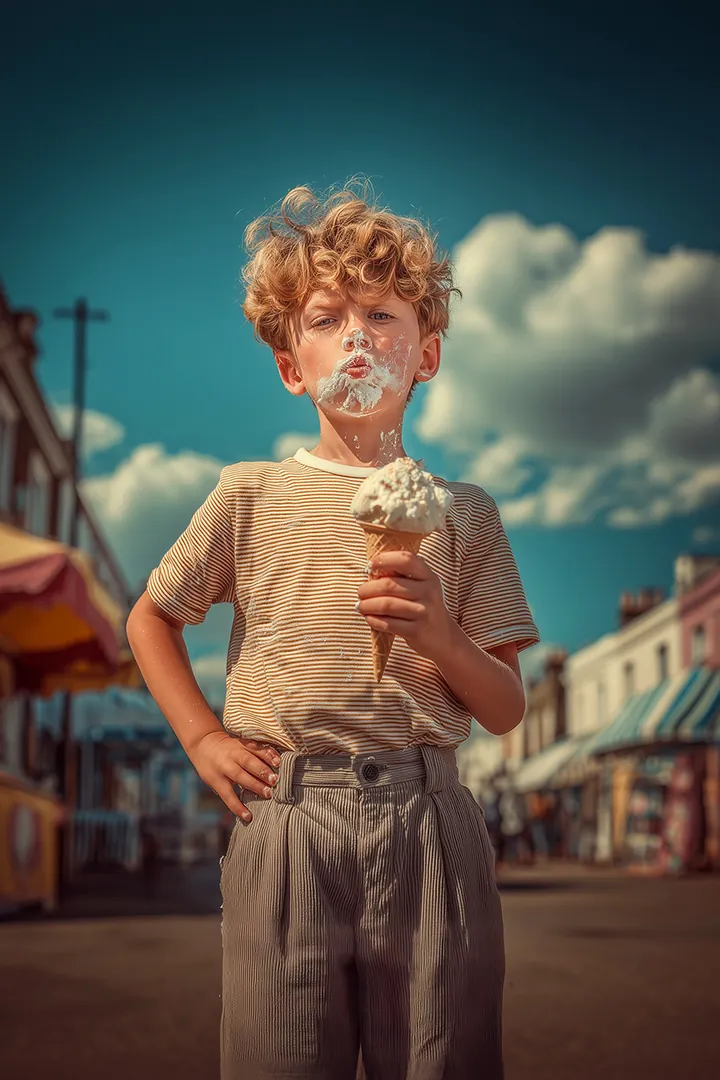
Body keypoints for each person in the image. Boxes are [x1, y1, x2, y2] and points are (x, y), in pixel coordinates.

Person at [126, 183, 541, 1080]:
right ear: (291, 363)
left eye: (382, 314)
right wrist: (200, 736)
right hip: (286, 821)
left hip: (432, 822)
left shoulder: (466, 515)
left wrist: (439, 636)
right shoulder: (249, 495)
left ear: (426, 354)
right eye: (326, 317)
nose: (356, 333)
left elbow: (507, 708)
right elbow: (152, 617)